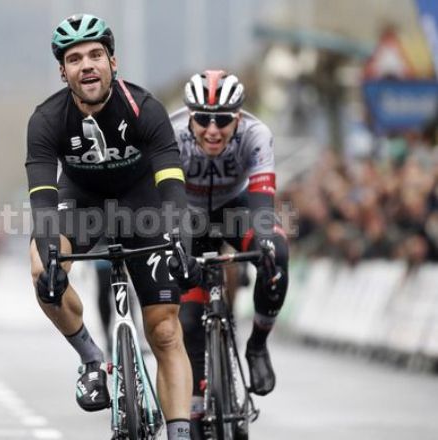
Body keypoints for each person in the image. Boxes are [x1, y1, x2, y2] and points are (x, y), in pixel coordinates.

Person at [25, 14, 202, 439]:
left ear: (112, 62)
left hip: (143, 207)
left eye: (95, 55)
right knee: (39, 265)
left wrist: (181, 237)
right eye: (75, 59)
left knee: (163, 330)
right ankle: (90, 358)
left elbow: (172, 183)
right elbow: (43, 201)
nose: (86, 65)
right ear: (63, 71)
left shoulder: (146, 108)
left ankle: (178, 432)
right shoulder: (47, 119)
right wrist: (51, 260)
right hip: (81, 204)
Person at [170, 70, 290, 437]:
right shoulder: (170, 135)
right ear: (189, 115)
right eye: (203, 119)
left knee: (278, 255)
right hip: (186, 214)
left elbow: (262, 204)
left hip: (236, 209)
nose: (212, 129)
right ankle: (195, 399)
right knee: (188, 318)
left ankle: (256, 346)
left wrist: (265, 244)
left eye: (222, 120)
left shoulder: (256, 135)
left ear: (238, 117)